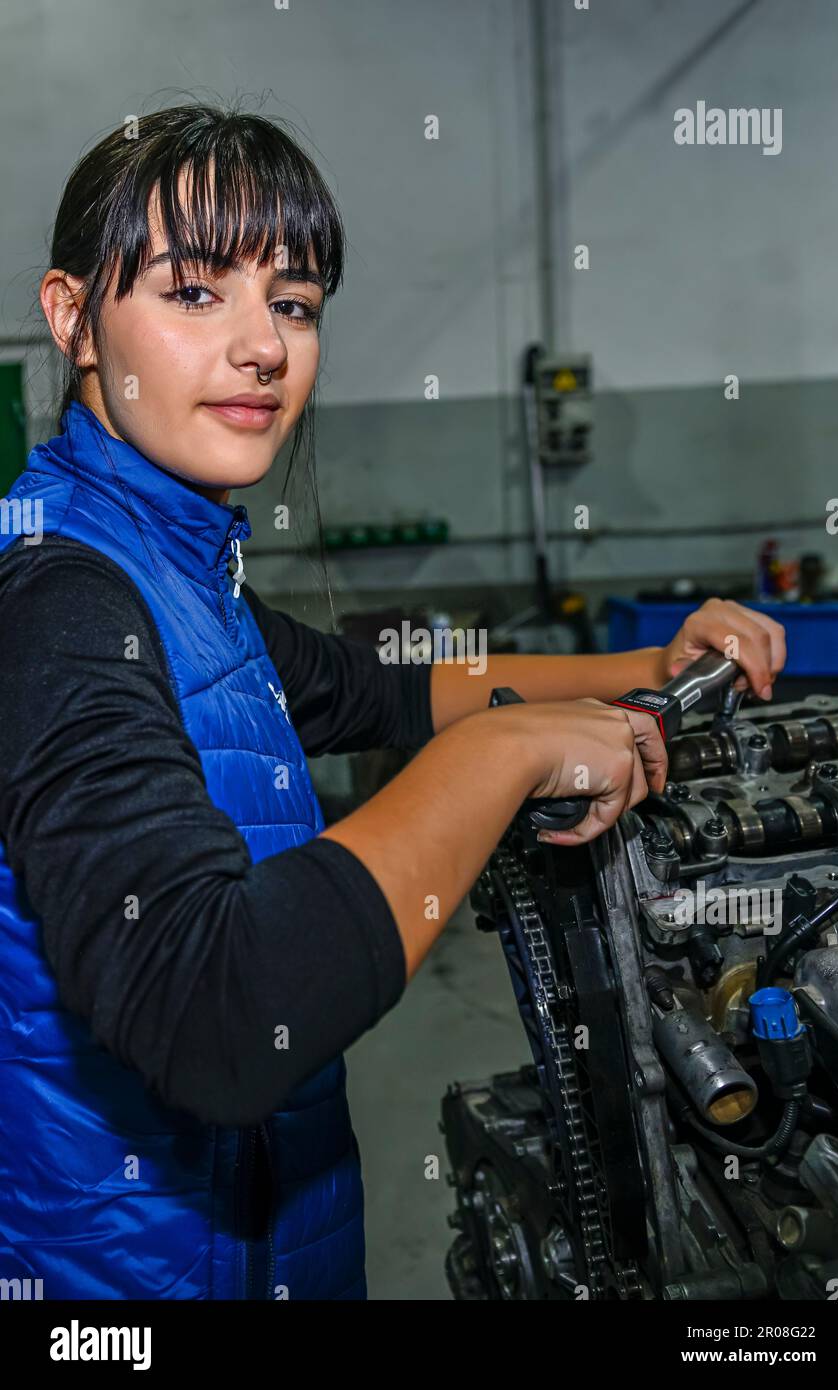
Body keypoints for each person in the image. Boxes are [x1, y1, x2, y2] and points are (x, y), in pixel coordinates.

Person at [0, 103, 786, 1301]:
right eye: (196, 292)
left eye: (296, 302)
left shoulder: (170, 570)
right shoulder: (58, 598)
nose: (265, 346)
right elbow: (218, 1014)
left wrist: (645, 667)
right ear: (73, 317)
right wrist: (505, 754)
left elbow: (383, 691)